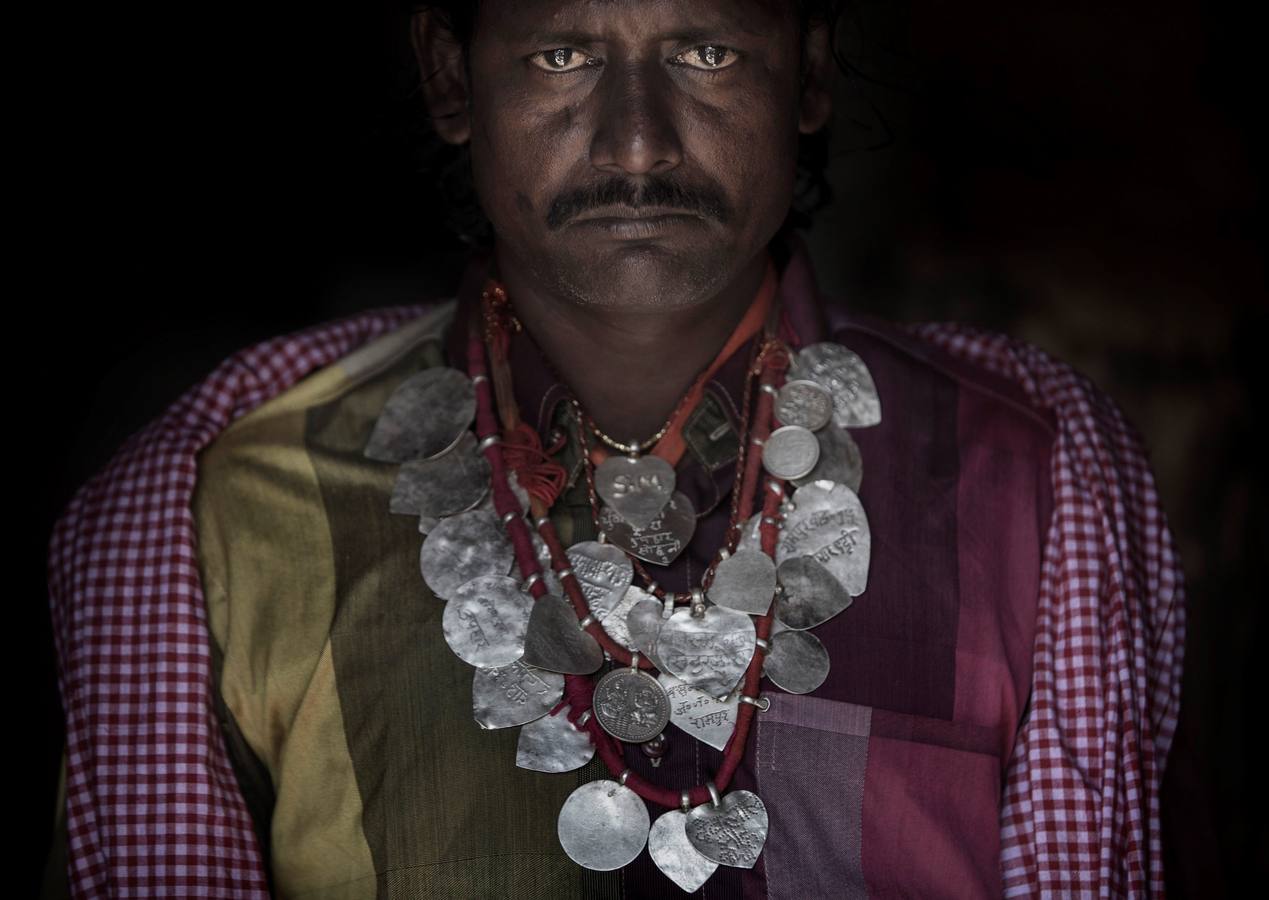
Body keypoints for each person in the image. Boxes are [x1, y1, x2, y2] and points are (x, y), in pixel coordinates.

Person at [47, 1, 1185, 896]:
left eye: (706, 51)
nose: (636, 142)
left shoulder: (1031, 476)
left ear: (811, 73)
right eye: (560, 57)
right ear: (452, 76)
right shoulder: (213, 512)